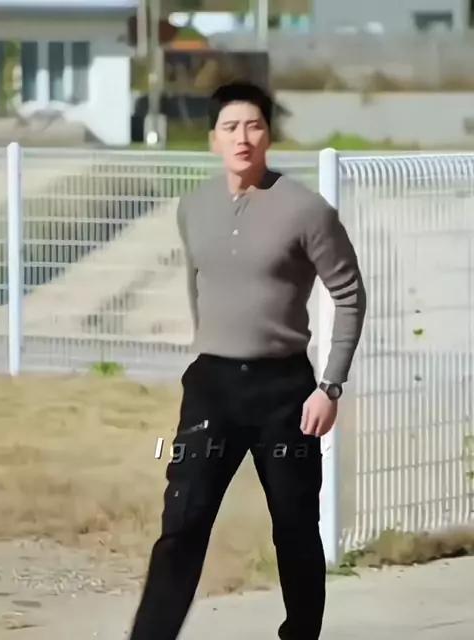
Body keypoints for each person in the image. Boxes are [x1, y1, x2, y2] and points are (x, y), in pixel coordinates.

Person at [128, 81, 367, 640]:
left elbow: (349, 294)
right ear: (213, 138)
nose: (243, 138)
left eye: (254, 126)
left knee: (294, 525)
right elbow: (200, 286)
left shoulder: (306, 210)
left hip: (285, 392)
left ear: (268, 136)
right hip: (212, 386)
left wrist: (329, 387)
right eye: (231, 127)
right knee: (182, 521)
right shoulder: (193, 207)